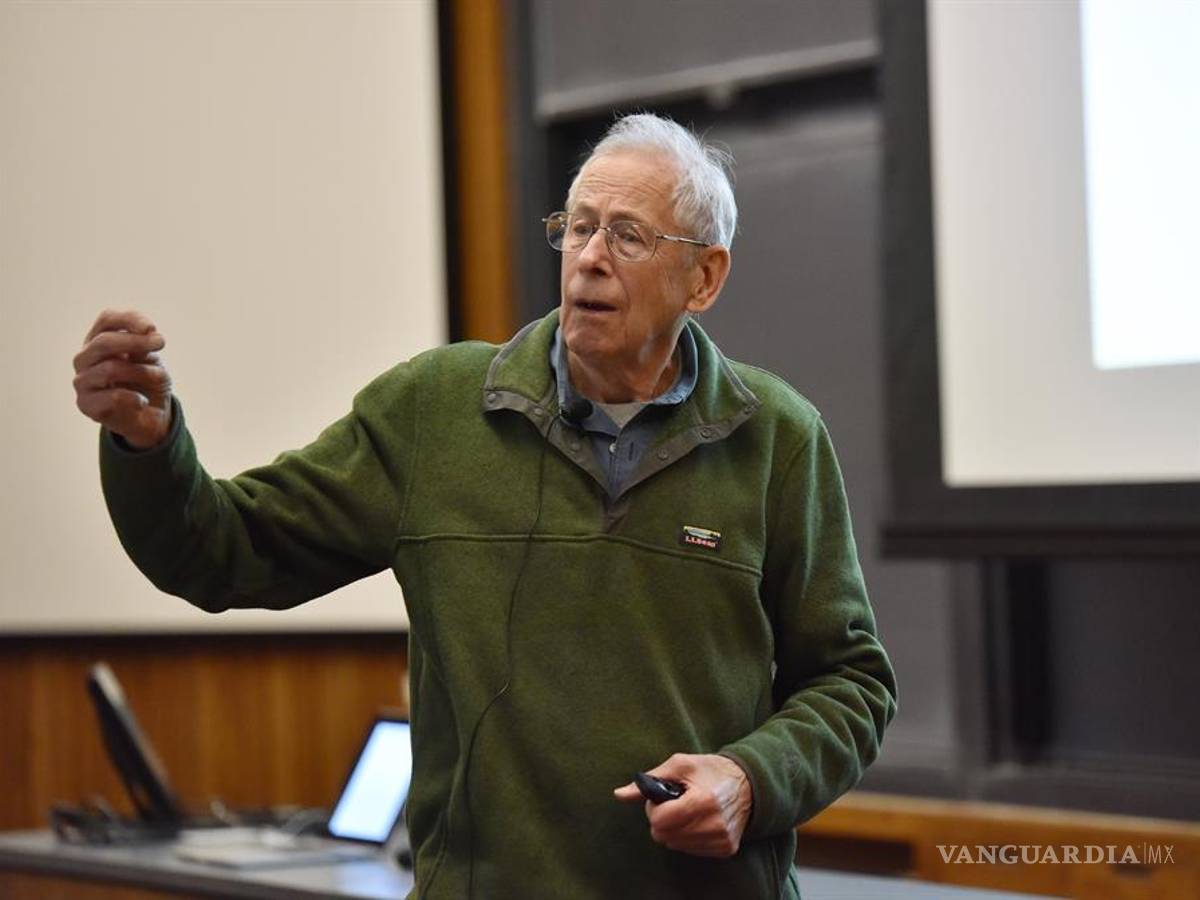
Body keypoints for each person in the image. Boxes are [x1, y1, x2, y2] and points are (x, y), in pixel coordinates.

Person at [73, 113, 896, 899]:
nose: (589, 259)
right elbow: (220, 551)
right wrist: (149, 447)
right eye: (577, 226)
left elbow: (851, 681)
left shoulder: (777, 439)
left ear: (704, 277)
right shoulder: (435, 410)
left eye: (629, 235)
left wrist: (752, 781)